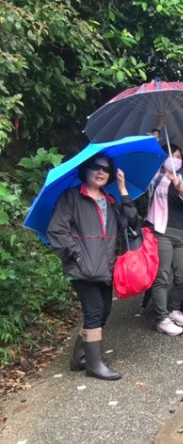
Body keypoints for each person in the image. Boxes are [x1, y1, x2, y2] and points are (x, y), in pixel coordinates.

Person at [46, 155, 139, 380]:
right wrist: (76, 255)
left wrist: (123, 189)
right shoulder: (71, 198)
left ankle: (79, 357)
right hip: (83, 267)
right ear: (85, 170)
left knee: (105, 311)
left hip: (105, 266)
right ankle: (94, 365)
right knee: (95, 310)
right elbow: (56, 230)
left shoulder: (110, 200)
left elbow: (132, 221)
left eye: (106, 169)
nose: (101, 172)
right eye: (95, 167)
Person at [145, 145, 183, 336]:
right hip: (162, 232)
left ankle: (173, 308)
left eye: (178, 156)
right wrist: (155, 135)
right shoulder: (156, 178)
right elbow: (147, 173)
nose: (174, 159)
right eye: (170, 156)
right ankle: (161, 318)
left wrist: (181, 188)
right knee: (162, 276)